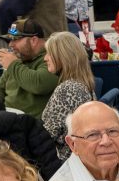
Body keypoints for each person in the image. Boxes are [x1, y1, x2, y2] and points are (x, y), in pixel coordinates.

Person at [41, 31, 97, 160]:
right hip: (78, 157)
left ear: (62, 57)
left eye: (49, 53)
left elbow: (47, 135)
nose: (45, 58)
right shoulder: (82, 83)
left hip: (63, 160)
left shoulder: (68, 89)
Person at [0, 17, 59, 118]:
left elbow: (39, 84)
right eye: (9, 40)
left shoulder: (51, 58)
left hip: (31, 125)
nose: (10, 44)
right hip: (7, 119)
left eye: (15, 40)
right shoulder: (19, 58)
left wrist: (13, 64)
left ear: (33, 40)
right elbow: (0, 87)